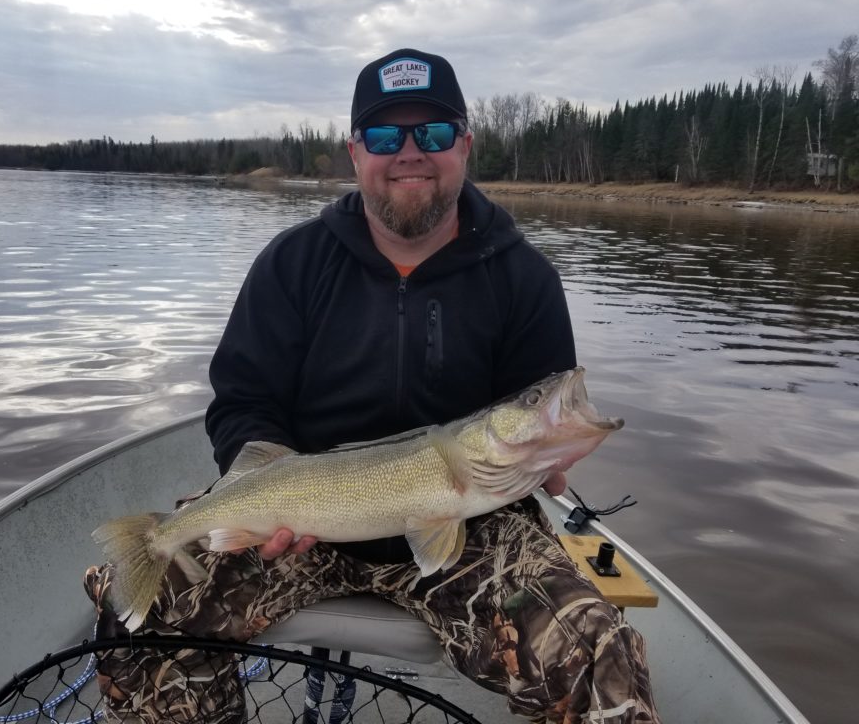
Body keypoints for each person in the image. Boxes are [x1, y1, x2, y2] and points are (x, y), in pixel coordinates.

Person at [84, 48, 660, 723]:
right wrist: (255, 484)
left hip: (473, 527)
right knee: (134, 619)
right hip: (303, 529)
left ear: (465, 146)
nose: (410, 152)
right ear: (356, 152)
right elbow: (244, 401)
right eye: (386, 136)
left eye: (434, 134)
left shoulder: (524, 278)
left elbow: (539, 414)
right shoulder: (292, 265)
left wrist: (547, 456)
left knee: (599, 659)